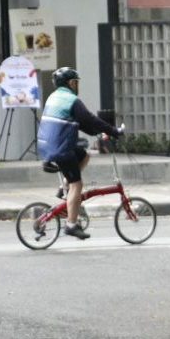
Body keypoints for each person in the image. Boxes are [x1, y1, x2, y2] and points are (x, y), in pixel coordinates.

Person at [37, 66, 122, 240]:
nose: (77, 86)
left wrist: (97, 133)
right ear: (71, 83)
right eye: (76, 82)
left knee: (84, 155)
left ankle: (64, 187)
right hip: (61, 149)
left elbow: (80, 122)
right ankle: (71, 225)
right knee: (77, 185)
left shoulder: (54, 97)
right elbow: (90, 119)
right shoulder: (71, 100)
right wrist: (114, 131)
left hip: (49, 147)